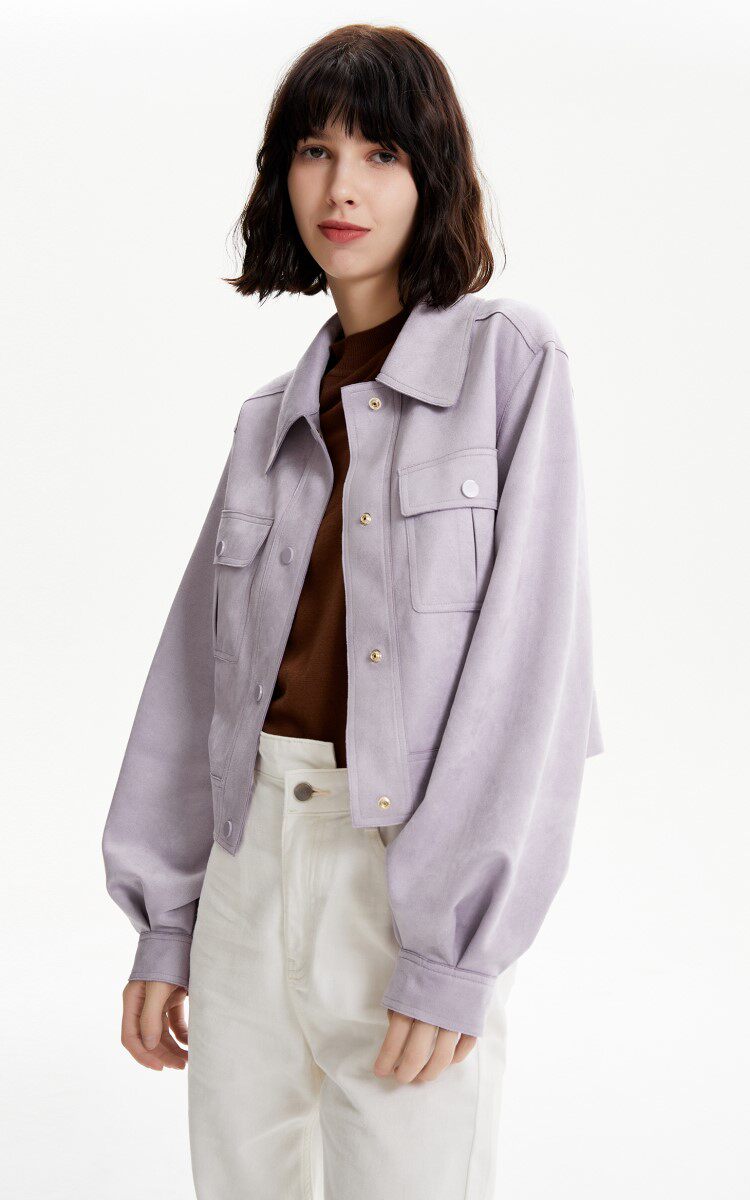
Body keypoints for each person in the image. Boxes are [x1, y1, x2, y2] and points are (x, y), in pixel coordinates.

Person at [101, 22, 603, 1200]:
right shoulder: (266, 420)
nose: (343, 187)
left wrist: (451, 950)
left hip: (398, 876)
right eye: (316, 151)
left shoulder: (509, 365)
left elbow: (531, 679)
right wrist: (167, 922)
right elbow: (194, 683)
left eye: (382, 153)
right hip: (247, 873)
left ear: (432, 179)